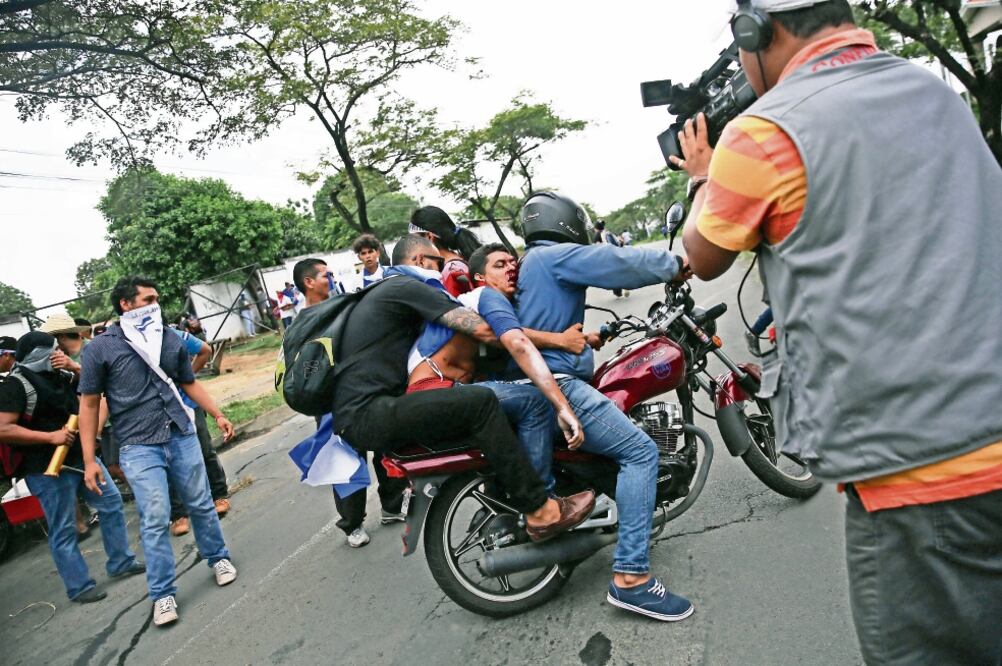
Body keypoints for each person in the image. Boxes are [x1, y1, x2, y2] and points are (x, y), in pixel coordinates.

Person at [674, 1, 1002, 662]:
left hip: (919, 477)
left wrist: (707, 175)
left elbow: (701, 255)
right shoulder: (930, 91)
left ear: (757, 31)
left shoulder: (764, 131)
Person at [332, 234, 596, 545]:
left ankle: (504, 497)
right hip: (369, 413)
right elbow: (485, 330)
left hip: (368, 411)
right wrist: (560, 340)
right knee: (491, 402)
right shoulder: (406, 287)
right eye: (438, 262)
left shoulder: (383, 291)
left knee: (486, 402)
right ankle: (541, 509)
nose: (443, 270)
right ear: (418, 261)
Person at [515, 191, 694, 622]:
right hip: (554, 385)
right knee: (640, 452)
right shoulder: (553, 256)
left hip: (538, 380)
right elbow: (615, 263)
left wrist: (591, 340)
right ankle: (631, 578)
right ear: (566, 221)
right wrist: (673, 265)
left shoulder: (530, 264)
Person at [78, 276, 239, 627]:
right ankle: (163, 595)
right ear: (126, 304)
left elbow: (188, 382)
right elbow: (89, 405)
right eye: (148, 299)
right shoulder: (99, 349)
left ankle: (218, 558)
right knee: (155, 517)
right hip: (138, 446)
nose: (155, 304)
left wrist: (218, 414)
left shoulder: (167, 336)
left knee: (200, 502)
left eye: (156, 299)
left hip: (180, 434)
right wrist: (90, 459)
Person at [408, 242, 593, 495]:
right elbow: (515, 340)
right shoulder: (486, 295)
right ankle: (543, 502)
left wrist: (583, 339)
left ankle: (501, 497)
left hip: (438, 393)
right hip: (435, 389)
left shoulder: (477, 304)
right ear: (480, 277)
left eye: (513, 263)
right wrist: (563, 405)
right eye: (500, 264)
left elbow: (510, 335)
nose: (511, 269)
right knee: (535, 403)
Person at [0, 332, 144, 603]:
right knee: (64, 528)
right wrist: (49, 437)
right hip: (46, 469)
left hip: (82, 458)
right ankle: (79, 587)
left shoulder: (62, 374)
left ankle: (121, 561)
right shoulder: (15, 386)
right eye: (53, 350)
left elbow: (93, 391)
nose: (59, 353)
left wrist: (74, 366)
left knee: (112, 504)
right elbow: (3, 428)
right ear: (38, 355)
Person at [291, 257, 407, 548]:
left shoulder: (340, 305)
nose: (330, 278)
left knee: (385, 444)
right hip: (332, 403)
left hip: (364, 390)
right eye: (325, 275)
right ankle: (353, 524)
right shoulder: (302, 324)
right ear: (308, 282)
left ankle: (393, 506)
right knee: (345, 462)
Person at [167, 326, 231, 537]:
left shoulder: (174, 336)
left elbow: (204, 350)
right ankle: (178, 514)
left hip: (189, 405)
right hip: (159, 414)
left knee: (205, 451)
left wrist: (189, 373)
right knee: (168, 463)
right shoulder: (131, 344)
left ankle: (219, 495)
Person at [409, 206, 483, 297]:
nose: (412, 244)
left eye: (414, 239)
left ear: (429, 237)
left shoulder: (452, 271)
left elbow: (453, 309)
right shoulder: (456, 262)